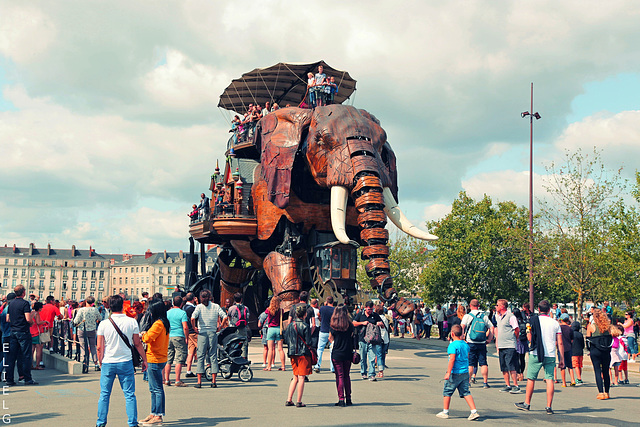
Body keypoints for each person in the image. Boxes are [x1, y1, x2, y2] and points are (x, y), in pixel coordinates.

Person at [96, 294, 148, 427]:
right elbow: (137, 343)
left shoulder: (104, 324)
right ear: (123, 306)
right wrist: (144, 360)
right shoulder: (131, 322)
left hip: (108, 361)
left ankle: (101, 422)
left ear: (109, 307)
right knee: (129, 394)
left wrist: (100, 361)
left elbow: (99, 346)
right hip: (125, 361)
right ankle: (132, 423)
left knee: (105, 394)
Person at [514, 300, 564, 414]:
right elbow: (560, 342)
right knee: (550, 378)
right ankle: (549, 406)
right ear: (549, 310)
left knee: (531, 378)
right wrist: (562, 359)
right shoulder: (555, 323)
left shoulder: (532, 320)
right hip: (550, 354)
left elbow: (530, 338)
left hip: (536, 353)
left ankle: (527, 403)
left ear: (539, 309)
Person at [436, 325, 480, 421]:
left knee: (447, 392)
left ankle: (445, 411)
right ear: (462, 334)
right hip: (464, 372)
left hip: (454, 372)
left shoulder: (452, 345)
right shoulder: (465, 345)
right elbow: (467, 357)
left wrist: (448, 372)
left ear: (452, 334)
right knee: (465, 392)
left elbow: (452, 359)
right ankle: (474, 411)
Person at [139, 301, 170, 425]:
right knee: (154, 388)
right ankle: (154, 412)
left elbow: (148, 338)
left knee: (156, 388)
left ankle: (158, 415)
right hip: (160, 357)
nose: (150, 313)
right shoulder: (164, 323)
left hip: (154, 358)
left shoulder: (158, 324)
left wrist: (143, 334)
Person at [191, 289, 228, 387]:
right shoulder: (216, 306)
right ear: (210, 297)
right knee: (213, 356)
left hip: (202, 333)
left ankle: (199, 382)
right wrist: (220, 327)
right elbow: (224, 317)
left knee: (201, 356)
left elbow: (192, 318)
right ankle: (214, 381)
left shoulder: (199, 307)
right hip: (212, 332)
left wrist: (194, 327)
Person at [6, 284, 37, 386]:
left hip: (13, 331)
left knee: (12, 356)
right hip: (23, 331)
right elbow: (28, 319)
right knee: (26, 356)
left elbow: (8, 319)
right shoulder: (25, 304)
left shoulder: (11, 304)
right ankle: (27, 378)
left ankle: (9, 379)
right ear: (23, 292)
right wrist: (32, 320)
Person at [284, 305, 312, 407]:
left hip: (292, 352)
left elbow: (286, 338)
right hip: (303, 353)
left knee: (295, 376)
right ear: (305, 314)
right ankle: (299, 401)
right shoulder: (305, 326)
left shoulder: (290, 325)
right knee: (301, 377)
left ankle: (289, 399)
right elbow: (308, 341)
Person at [461, 299, 492, 388]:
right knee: (483, 363)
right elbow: (492, 328)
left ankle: (469, 382)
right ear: (478, 306)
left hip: (471, 342)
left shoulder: (467, 316)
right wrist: (489, 339)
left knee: (471, 363)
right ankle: (485, 382)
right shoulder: (484, 316)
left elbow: (462, 326)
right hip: (482, 342)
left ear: (470, 306)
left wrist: (463, 337)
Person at [329, 305, 355, 406]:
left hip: (337, 352)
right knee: (346, 376)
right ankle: (348, 398)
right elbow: (352, 336)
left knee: (339, 376)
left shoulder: (333, 325)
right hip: (348, 352)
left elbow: (330, 338)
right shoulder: (350, 325)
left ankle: (341, 399)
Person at [353, 300, 384, 381]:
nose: (370, 311)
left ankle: (372, 374)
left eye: (371, 309)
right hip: (362, 339)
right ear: (365, 308)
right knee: (363, 358)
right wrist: (362, 323)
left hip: (372, 340)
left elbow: (382, 325)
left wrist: (380, 324)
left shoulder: (375, 315)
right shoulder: (360, 314)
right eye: (368, 309)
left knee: (372, 358)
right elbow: (354, 323)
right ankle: (363, 373)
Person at [495, 299, 521, 393]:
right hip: (502, 345)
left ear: (502, 306)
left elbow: (516, 329)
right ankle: (508, 384)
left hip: (510, 344)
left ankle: (516, 385)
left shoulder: (511, 316)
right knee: (504, 366)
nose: (496, 307)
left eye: (497, 305)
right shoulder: (498, 316)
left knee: (511, 365)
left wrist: (515, 338)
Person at [163, 296, 189, 387]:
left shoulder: (167, 313)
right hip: (179, 335)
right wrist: (186, 337)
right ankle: (177, 380)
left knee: (168, 359)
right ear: (181, 304)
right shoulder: (182, 313)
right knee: (179, 359)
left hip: (170, 335)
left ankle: (167, 379)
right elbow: (185, 327)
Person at [73, 296, 102, 371]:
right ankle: (96, 363)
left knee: (83, 346)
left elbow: (76, 321)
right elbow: (100, 318)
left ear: (85, 301)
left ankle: (85, 362)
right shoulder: (95, 309)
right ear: (93, 302)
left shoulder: (81, 310)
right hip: (92, 329)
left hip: (82, 329)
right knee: (92, 346)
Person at [264, 296, 286, 371]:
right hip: (278, 329)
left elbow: (266, 313)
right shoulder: (281, 310)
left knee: (270, 349)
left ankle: (269, 366)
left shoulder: (268, 310)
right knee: (280, 349)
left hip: (271, 329)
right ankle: (283, 366)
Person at [314, 296, 335, 373]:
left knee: (320, 348)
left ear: (326, 301)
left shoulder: (322, 308)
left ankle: (317, 365)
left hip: (323, 330)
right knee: (332, 349)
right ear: (333, 302)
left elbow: (318, 314)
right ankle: (332, 367)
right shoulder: (334, 309)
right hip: (332, 331)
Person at [227, 292, 250, 359]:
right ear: (241, 299)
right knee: (244, 343)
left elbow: (229, 317)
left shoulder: (231, 308)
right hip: (243, 328)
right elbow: (247, 318)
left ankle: (234, 356)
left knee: (234, 342)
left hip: (234, 328)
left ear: (234, 299)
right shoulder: (246, 308)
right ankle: (244, 357)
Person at [182, 293, 198, 378]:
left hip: (188, 332)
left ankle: (188, 370)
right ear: (193, 299)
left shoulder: (184, 308)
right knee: (201, 350)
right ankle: (201, 369)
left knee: (190, 352)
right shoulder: (193, 308)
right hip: (194, 331)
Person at [557, 313, 575, 387]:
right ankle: (572, 379)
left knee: (562, 366)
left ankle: (564, 382)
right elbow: (572, 339)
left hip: (561, 348)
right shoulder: (570, 328)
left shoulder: (559, 328)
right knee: (570, 365)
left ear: (561, 319)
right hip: (568, 347)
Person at [29, 302, 47, 371]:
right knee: (39, 349)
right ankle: (37, 365)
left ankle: (30, 364)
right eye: (41, 307)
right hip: (37, 333)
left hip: (31, 332)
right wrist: (45, 321)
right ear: (39, 308)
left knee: (32, 350)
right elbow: (38, 322)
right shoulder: (37, 314)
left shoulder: (31, 313)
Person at [376, 303, 390, 376]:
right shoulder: (385, 318)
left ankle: (380, 371)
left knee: (379, 354)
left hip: (379, 338)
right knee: (383, 354)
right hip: (386, 338)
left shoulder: (376, 318)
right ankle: (382, 369)